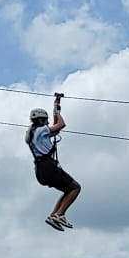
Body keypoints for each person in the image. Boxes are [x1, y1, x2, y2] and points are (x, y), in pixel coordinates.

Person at [26, 93, 81, 230]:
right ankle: (60, 214)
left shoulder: (33, 134)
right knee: (75, 188)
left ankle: (53, 216)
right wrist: (56, 111)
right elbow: (61, 124)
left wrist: (56, 105)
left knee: (67, 190)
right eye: (46, 120)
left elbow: (55, 126)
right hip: (48, 167)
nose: (48, 123)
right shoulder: (41, 130)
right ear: (40, 120)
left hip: (40, 171)